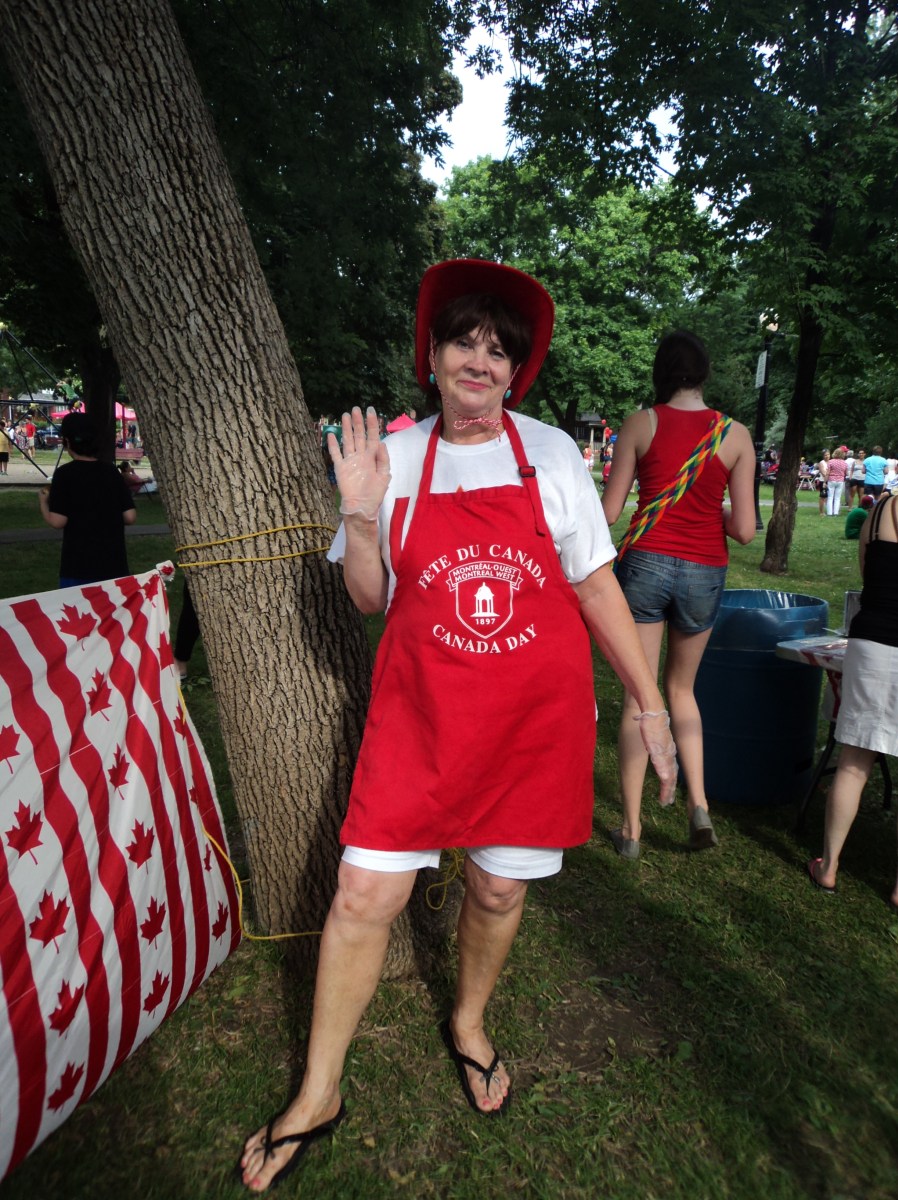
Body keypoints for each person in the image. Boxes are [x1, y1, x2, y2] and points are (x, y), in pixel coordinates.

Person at [238, 259, 677, 1193]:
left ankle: (468, 1020)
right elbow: (366, 597)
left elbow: (594, 581)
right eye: (463, 342)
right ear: (431, 357)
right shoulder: (392, 456)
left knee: (497, 893)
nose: (479, 360)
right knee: (362, 895)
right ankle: (317, 1093)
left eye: (498, 349)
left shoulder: (551, 452)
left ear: (514, 371)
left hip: (529, 721)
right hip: (421, 721)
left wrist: (647, 700)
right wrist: (358, 513)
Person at [601, 330, 756, 858]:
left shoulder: (640, 424)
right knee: (682, 691)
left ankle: (632, 830)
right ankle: (699, 806)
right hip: (704, 570)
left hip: (645, 564)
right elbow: (746, 531)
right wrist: (710, 505)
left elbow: (610, 512)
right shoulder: (735, 435)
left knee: (641, 697)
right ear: (705, 372)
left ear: (661, 371)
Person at [807, 491, 898, 908]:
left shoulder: (880, 510)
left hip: (873, 640)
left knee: (854, 760)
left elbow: (868, 576)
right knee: (855, 760)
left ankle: (829, 866)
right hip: (877, 638)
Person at [38, 412, 137, 587]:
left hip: (78, 567)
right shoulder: (111, 472)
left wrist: (43, 502)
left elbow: (57, 521)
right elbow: (130, 517)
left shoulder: (64, 474)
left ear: (66, 442)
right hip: (114, 565)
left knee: (80, 613)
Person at [825, 448, 849, 516]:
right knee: (837, 498)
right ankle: (836, 512)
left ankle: (829, 513)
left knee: (830, 497)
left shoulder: (831, 462)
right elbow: (846, 473)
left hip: (831, 480)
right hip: (840, 481)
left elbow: (827, 473)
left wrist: (825, 481)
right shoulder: (844, 463)